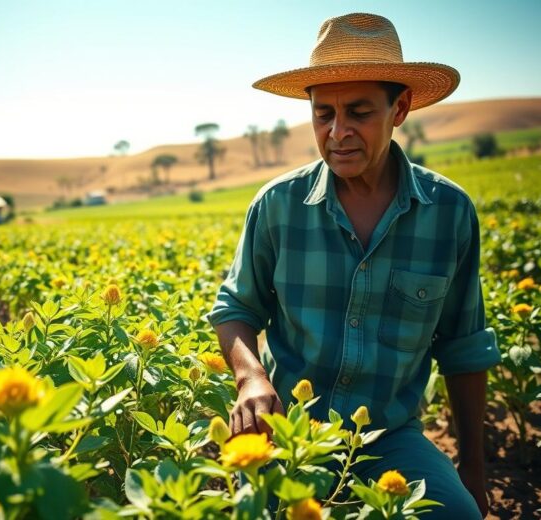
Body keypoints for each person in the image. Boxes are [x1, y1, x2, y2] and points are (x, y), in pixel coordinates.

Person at [205, 13, 501, 518]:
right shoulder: (278, 204)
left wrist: (473, 468)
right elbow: (236, 306)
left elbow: (463, 345)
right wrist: (251, 377)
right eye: (324, 115)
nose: (337, 132)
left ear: (400, 108)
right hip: (289, 433)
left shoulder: (448, 213)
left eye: (359, 112)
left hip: (388, 439)